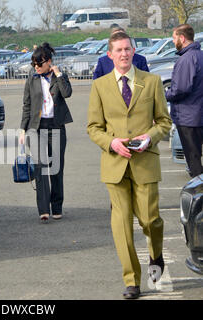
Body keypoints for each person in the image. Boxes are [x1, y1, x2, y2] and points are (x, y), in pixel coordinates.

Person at [87, 32, 172, 299]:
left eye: (127, 49)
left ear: (133, 51)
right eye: (118, 50)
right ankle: (132, 281)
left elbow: (164, 122)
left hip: (145, 163)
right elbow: (93, 127)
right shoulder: (99, 86)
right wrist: (111, 143)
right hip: (115, 165)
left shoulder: (152, 81)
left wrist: (150, 137)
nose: (124, 54)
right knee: (121, 225)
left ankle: (156, 256)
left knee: (150, 221)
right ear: (109, 55)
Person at [19, 42, 73, 222]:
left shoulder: (59, 76)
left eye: (39, 64)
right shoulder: (32, 78)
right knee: (40, 168)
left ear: (49, 61)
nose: (36, 67)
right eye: (34, 64)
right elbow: (27, 104)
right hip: (37, 127)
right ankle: (43, 209)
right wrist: (22, 129)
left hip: (56, 126)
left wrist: (58, 74)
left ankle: (56, 206)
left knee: (56, 169)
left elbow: (66, 94)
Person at [166, 24, 203, 178]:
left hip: (188, 118)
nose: (174, 41)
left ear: (182, 38)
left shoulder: (187, 59)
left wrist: (166, 95)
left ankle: (198, 197)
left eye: (174, 38)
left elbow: (181, 89)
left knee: (194, 162)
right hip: (198, 115)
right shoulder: (200, 55)